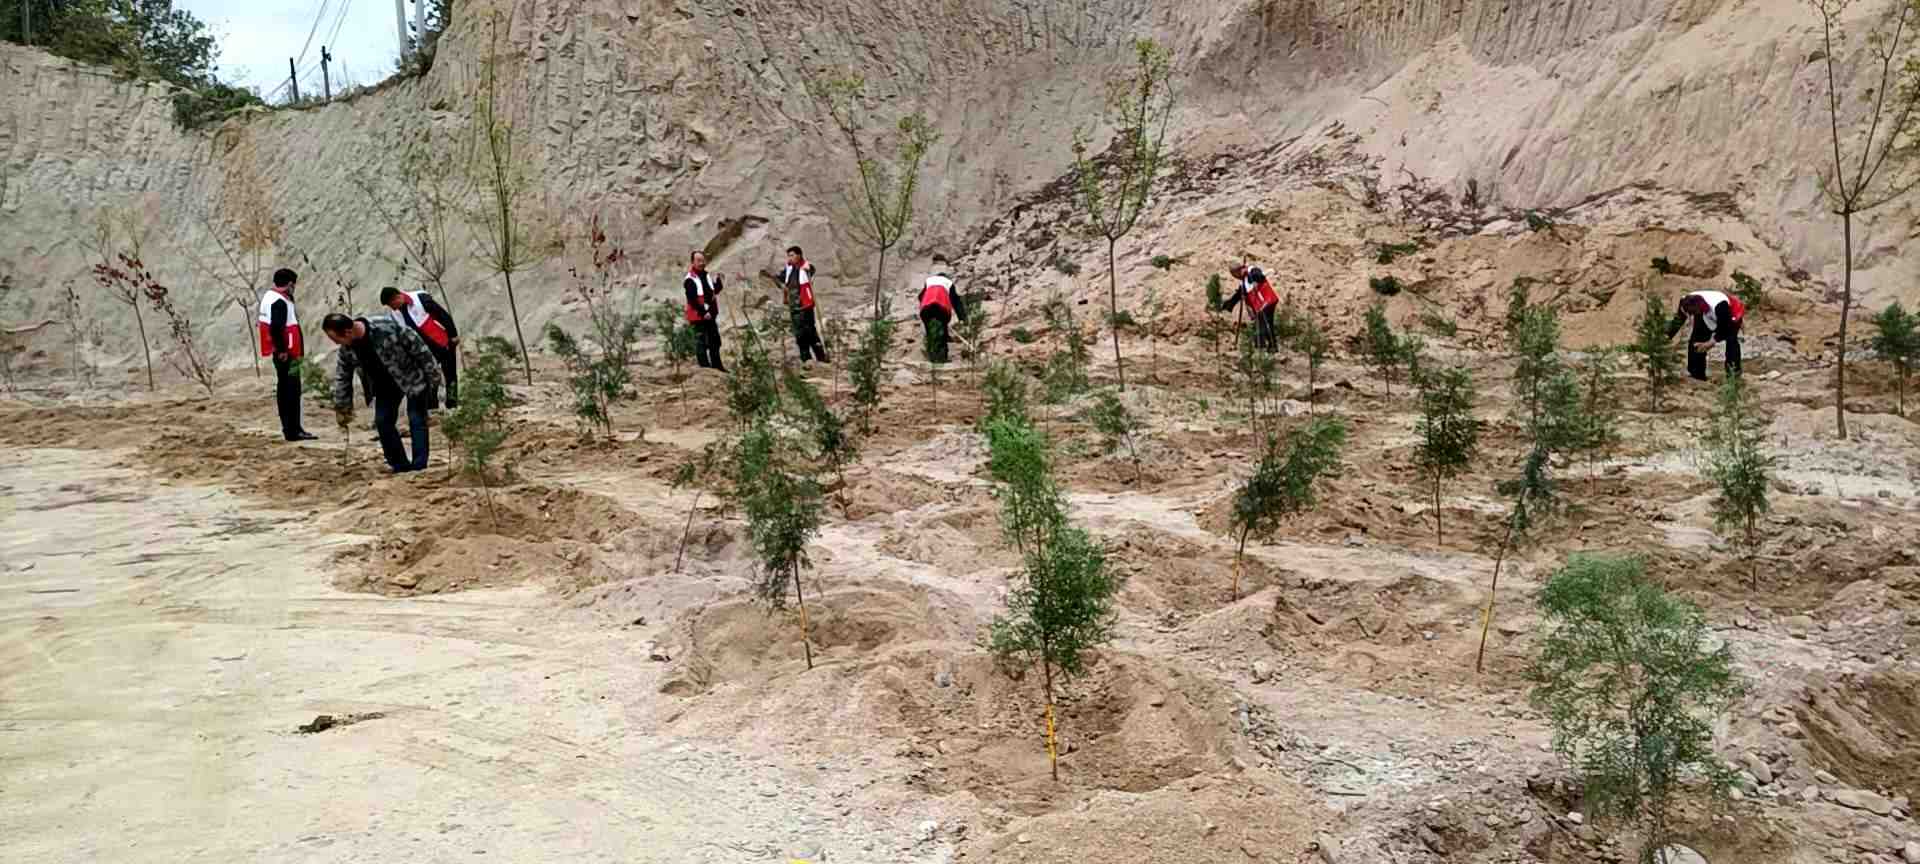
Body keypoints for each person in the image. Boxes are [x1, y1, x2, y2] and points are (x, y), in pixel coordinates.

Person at [323, 312, 442, 474]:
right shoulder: (347, 349)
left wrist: (433, 375)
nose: (336, 343)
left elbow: (418, 346)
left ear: (348, 332)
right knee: (383, 422)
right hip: (384, 386)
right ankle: (400, 466)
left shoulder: (385, 327)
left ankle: (419, 466)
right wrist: (343, 407)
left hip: (411, 377)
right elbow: (343, 377)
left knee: (416, 419)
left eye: (336, 339)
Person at [258, 268, 316, 441]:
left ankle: (290, 429)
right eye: (294, 285)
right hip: (288, 354)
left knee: (284, 389)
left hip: (283, 353)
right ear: (290, 284)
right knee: (292, 390)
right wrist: (282, 350)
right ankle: (293, 430)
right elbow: (276, 328)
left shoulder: (270, 297)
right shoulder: (280, 301)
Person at [381, 286, 461, 408]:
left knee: (450, 375)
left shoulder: (420, 299)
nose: (392, 308)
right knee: (429, 378)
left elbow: (443, 315)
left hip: (442, 342)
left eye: (391, 304)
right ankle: (432, 407)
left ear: (396, 297)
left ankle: (452, 404)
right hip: (423, 351)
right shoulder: (395, 314)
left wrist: (453, 335)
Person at [1667, 289, 1744, 381]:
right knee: (1696, 339)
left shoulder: (1720, 306)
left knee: (1731, 341)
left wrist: (1710, 343)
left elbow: (1724, 329)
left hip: (1731, 314)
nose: (1691, 317)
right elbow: (1677, 322)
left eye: (1693, 313)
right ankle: (1697, 375)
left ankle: (1733, 376)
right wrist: (1665, 338)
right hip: (1705, 312)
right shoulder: (1685, 302)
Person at [782, 246, 829, 364]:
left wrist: (808, 268)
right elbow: (783, 282)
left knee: (810, 332)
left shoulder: (805, 267)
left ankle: (821, 358)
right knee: (799, 335)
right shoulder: (789, 269)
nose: (790, 258)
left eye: (792, 255)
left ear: (799, 255)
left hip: (805, 306)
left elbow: (811, 269)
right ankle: (806, 360)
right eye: (788, 256)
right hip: (794, 308)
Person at [918, 255, 968, 364]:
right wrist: (963, 318)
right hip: (941, 308)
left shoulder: (929, 281)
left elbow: (920, 296)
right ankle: (942, 358)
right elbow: (956, 302)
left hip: (926, 309)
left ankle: (932, 357)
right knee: (943, 333)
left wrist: (923, 306)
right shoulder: (949, 283)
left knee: (930, 332)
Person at [684, 251, 727, 372]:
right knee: (701, 342)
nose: (701, 263)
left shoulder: (706, 275)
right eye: (698, 260)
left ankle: (717, 366)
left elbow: (713, 291)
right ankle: (705, 369)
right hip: (698, 316)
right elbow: (692, 300)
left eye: (703, 260)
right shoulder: (689, 279)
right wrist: (703, 312)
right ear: (692, 262)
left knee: (715, 341)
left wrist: (719, 281)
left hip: (710, 315)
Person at [1222, 264, 1280, 352]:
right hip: (1261, 306)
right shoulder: (1243, 283)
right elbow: (1237, 296)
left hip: (1267, 301)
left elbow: (1259, 276)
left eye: (1235, 275)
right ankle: (1271, 347)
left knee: (1261, 325)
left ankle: (1262, 349)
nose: (1235, 277)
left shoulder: (1251, 270)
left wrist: (1251, 276)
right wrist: (1226, 306)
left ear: (1239, 271)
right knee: (1266, 324)